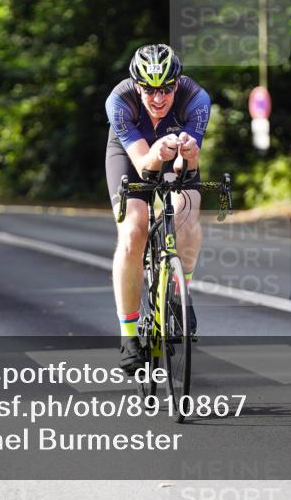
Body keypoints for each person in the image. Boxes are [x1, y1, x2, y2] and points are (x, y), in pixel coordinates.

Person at [104, 44, 210, 371]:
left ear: (177, 84)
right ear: (137, 86)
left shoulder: (197, 99)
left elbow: (185, 168)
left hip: (176, 154)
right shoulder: (119, 101)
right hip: (132, 156)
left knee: (186, 216)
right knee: (133, 232)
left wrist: (188, 153)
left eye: (166, 88)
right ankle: (129, 335)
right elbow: (142, 165)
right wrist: (156, 152)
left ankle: (179, 295)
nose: (158, 98)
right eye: (149, 90)